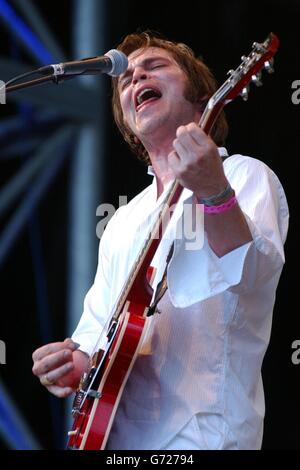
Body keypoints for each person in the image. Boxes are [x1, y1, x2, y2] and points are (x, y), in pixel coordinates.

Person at [32, 31, 289, 450]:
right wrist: (70, 364)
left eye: (153, 67)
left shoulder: (244, 175)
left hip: (203, 439)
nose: (135, 79)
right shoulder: (122, 221)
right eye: (125, 80)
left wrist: (214, 193)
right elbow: (96, 339)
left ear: (201, 96)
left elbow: (251, 274)